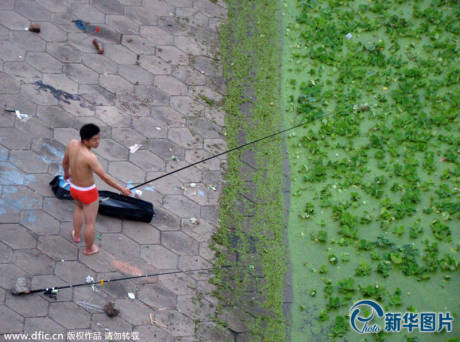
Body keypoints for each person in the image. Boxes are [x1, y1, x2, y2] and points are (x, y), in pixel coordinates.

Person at [62, 124, 131, 255]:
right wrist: (122, 189)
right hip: (88, 192)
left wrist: (66, 173)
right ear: (85, 140)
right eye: (94, 140)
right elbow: (104, 178)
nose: (98, 142)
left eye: (98, 138)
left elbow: (65, 162)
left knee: (78, 208)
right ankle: (89, 248)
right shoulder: (90, 157)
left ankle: (76, 235)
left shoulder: (72, 144)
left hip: (74, 187)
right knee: (90, 223)